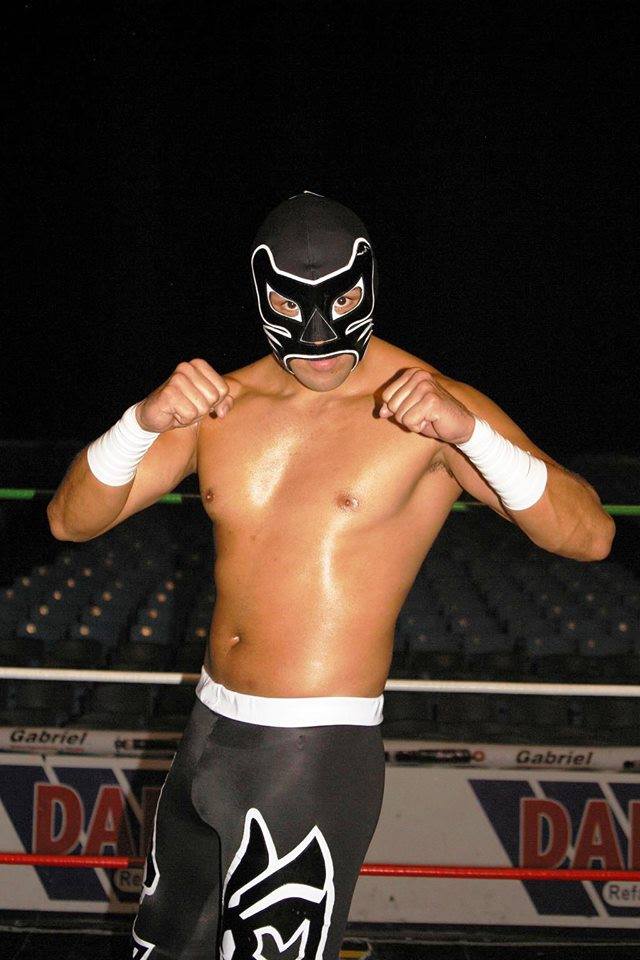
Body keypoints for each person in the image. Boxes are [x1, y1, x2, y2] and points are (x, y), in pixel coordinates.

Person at [47, 192, 615, 959]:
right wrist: (139, 422)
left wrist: (472, 434)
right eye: (292, 306)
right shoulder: (222, 403)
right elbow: (70, 521)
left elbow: (590, 536)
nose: (318, 333)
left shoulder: (428, 406)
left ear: (367, 287)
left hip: (311, 749)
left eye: (341, 303)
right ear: (262, 296)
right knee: (158, 950)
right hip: (205, 729)